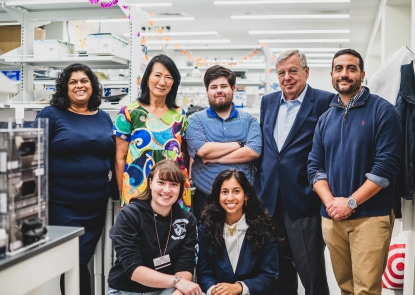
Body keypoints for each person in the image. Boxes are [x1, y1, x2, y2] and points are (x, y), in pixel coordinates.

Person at [308, 49, 402, 295]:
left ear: (362, 74)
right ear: (331, 74)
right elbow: (315, 166)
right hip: (332, 218)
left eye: (351, 68)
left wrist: (350, 202)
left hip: (370, 217)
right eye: (339, 69)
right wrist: (331, 203)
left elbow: (385, 168)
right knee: (346, 288)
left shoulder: (383, 111)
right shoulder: (326, 118)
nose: (344, 74)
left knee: (366, 290)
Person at [254, 50, 333, 295]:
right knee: (277, 271)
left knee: (311, 271)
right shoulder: (268, 101)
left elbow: (328, 149)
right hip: (270, 200)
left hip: (304, 198)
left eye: (293, 71)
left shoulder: (324, 101)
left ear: (306, 72)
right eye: (281, 73)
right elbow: (269, 150)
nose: (287, 77)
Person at [32, 63, 115, 295]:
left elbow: (112, 154)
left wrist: (116, 191)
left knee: (81, 259)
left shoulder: (104, 118)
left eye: (84, 80)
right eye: (73, 82)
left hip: (95, 204)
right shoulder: (52, 114)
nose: (80, 85)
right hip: (61, 204)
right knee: (72, 262)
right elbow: (32, 156)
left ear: (92, 86)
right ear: (65, 88)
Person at [108, 160, 201, 295]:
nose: (167, 190)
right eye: (161, 182)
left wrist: (179, 291)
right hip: (127, 289)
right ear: (150, 183)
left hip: (168, 289)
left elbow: (185, 265)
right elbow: (134, 270)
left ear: (180, 188)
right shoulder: (129, 215)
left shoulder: (187, 220)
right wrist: (177, 282)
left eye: (173, 184)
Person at [113, 54, 190, 209]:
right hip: (137, 187)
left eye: (168, 77)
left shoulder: (180, 115)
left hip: (172, 191)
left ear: (173, 83)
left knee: (171, 231)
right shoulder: (129, 112)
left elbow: (183, 155)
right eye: (157, 75)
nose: (162, 82)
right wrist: (123, 192)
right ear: (147, 79)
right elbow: (120, 157)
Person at [186, 65, 262, 222]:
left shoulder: (249, 120)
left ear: (233, 88)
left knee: (244, 244)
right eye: (213, 87)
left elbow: (253, 151)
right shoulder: (195, 120)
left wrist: (216, 158)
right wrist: (239, 144)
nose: (218, 90)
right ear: (207, 91)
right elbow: (203, 151)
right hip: (206, 199)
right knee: (207, 244)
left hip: (243, 201)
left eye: (223, 86)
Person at [197, 169, 278, 295]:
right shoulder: (206, 228)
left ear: (246, 195)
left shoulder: (264, 228)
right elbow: (204, 274)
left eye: (236, 191)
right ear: (218, 196)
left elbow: (269, 276)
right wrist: (214, 290)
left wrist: (239, 287)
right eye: (224, 192)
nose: (230, 198)